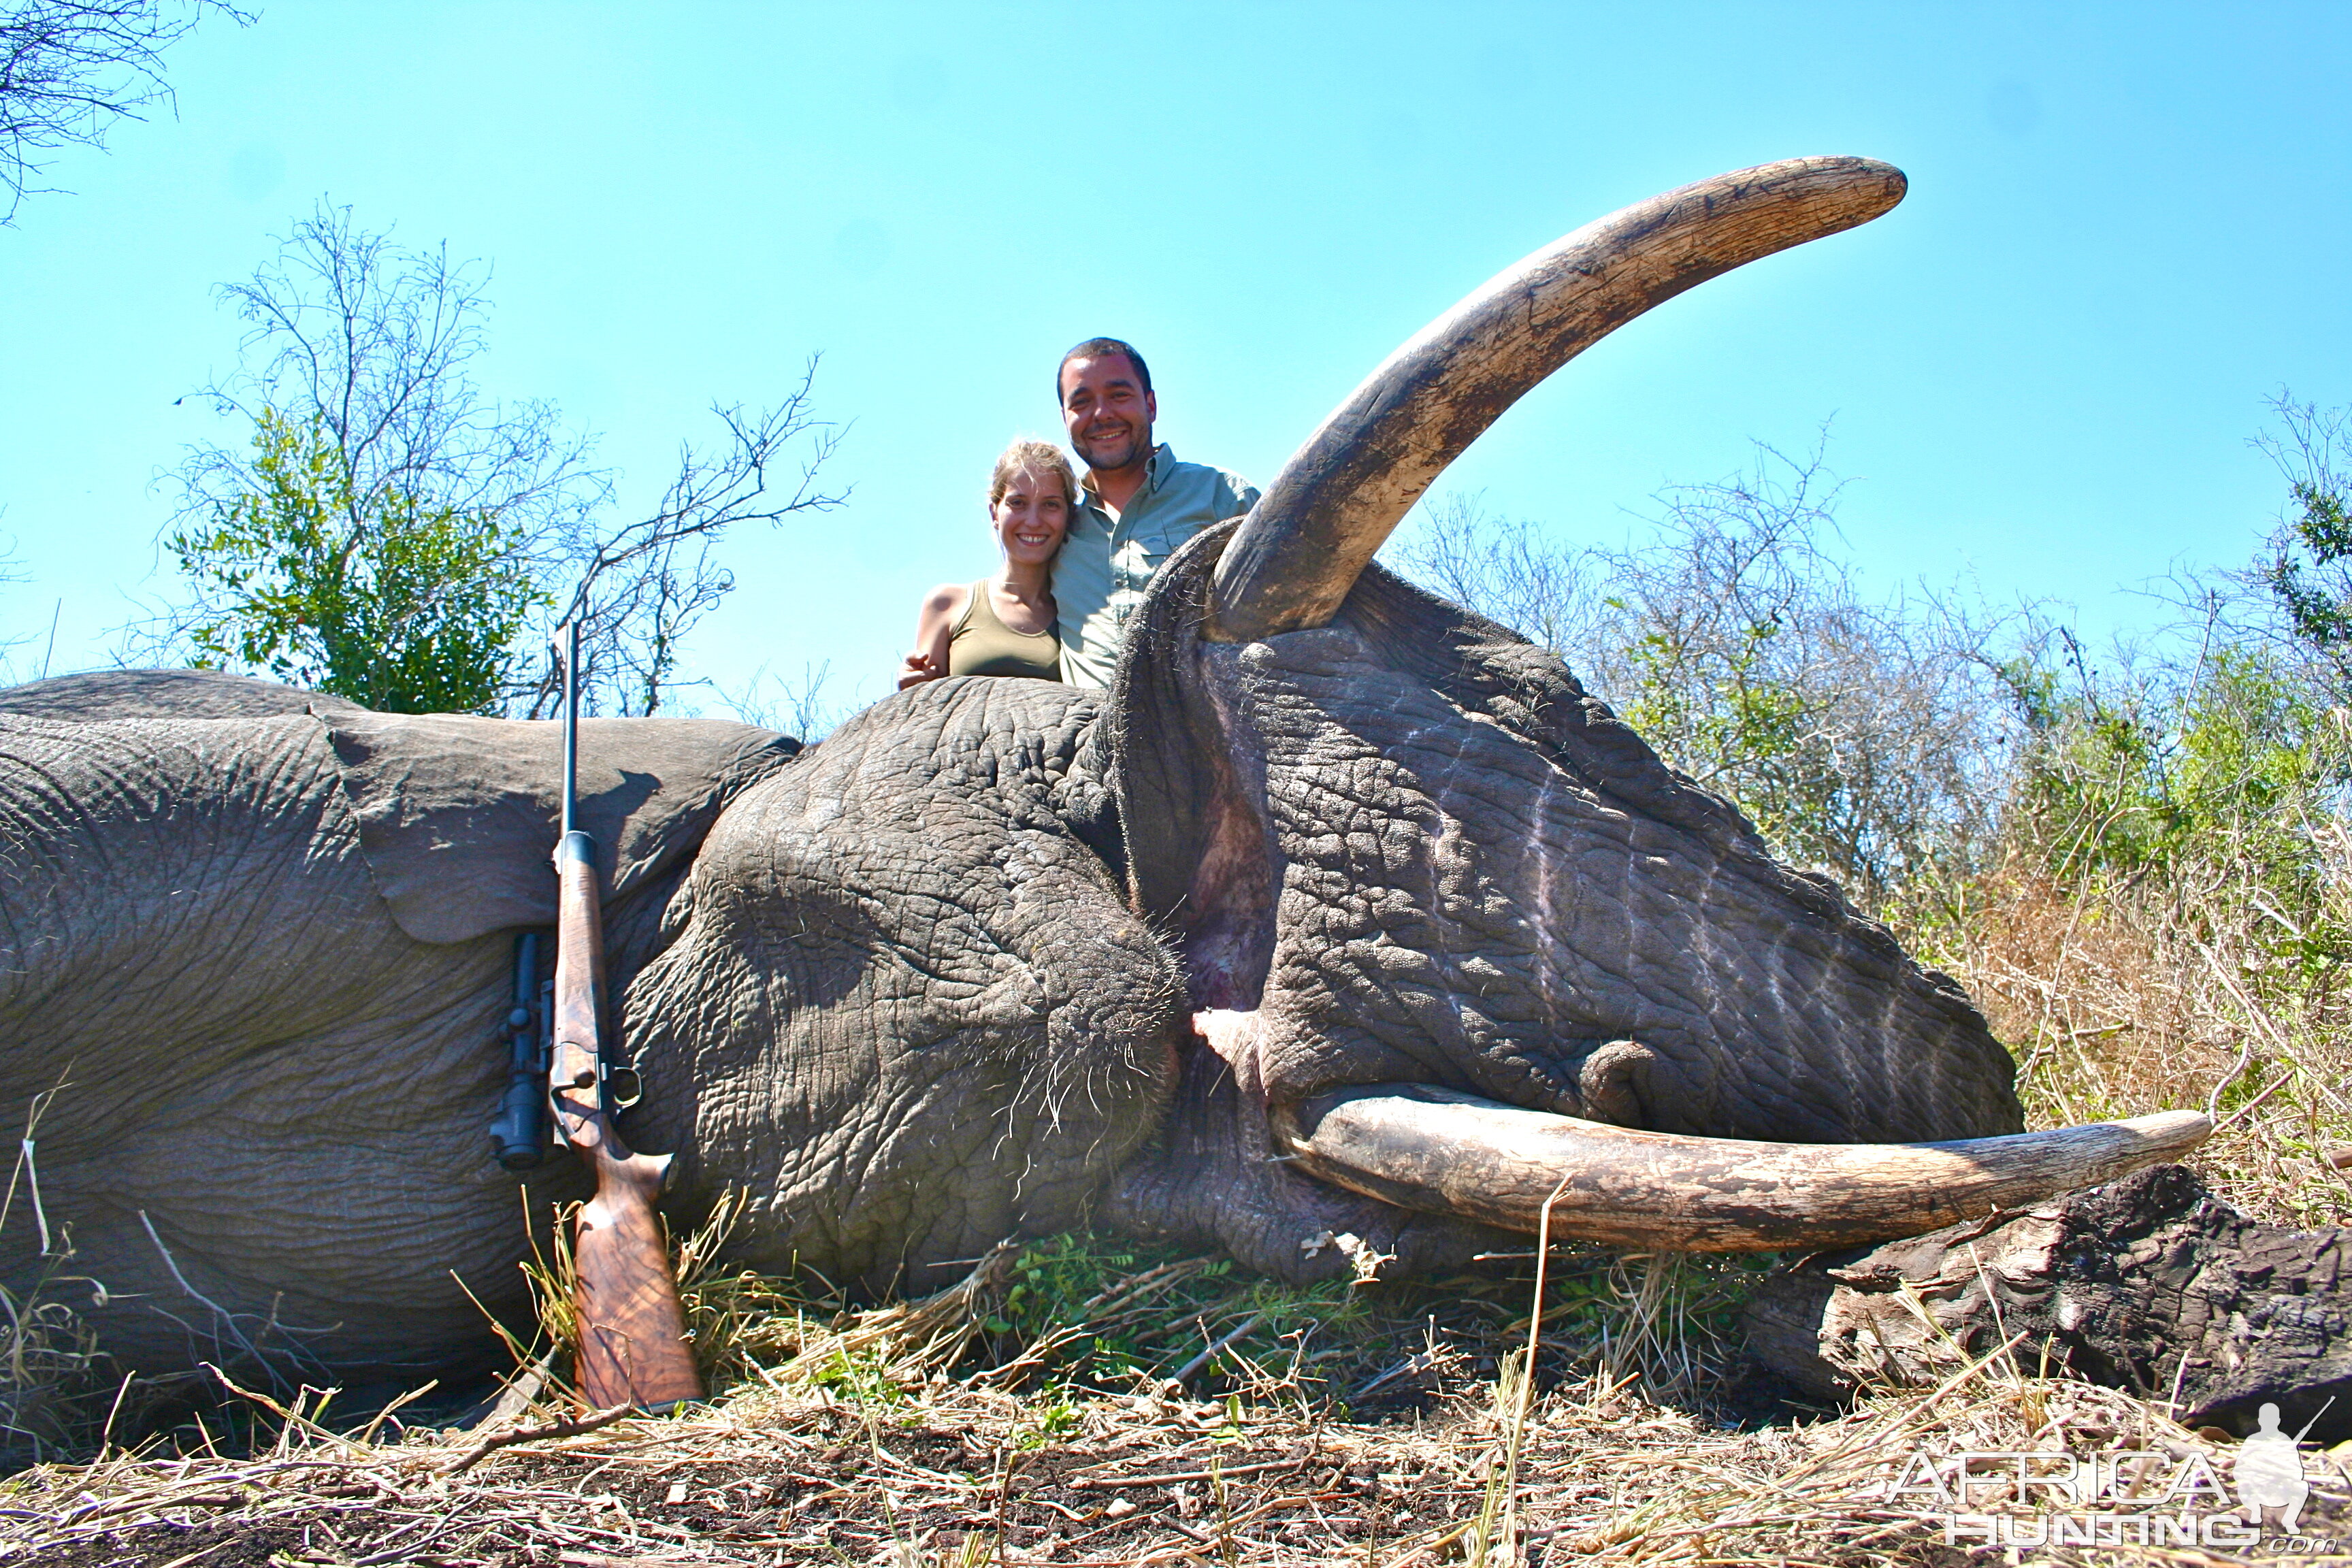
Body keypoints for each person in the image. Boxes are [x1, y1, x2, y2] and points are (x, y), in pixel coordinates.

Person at [1051, 338, 1260, 687]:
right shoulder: (1058, 529)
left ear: (1151, 405)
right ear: (1065, 418)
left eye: (1119, 395)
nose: (1102, 414)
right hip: (1088, 736)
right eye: (1082, 402)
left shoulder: (1224, 497)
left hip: (1212, 735)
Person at [898, 439, 1075, 689]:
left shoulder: (1081, 613)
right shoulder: (947, 604)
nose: (1034, 521)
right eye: (1018, 503)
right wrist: (912, 682)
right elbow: (924, 706)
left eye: (1050, 505)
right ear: (994, 513)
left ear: (1069, 515)